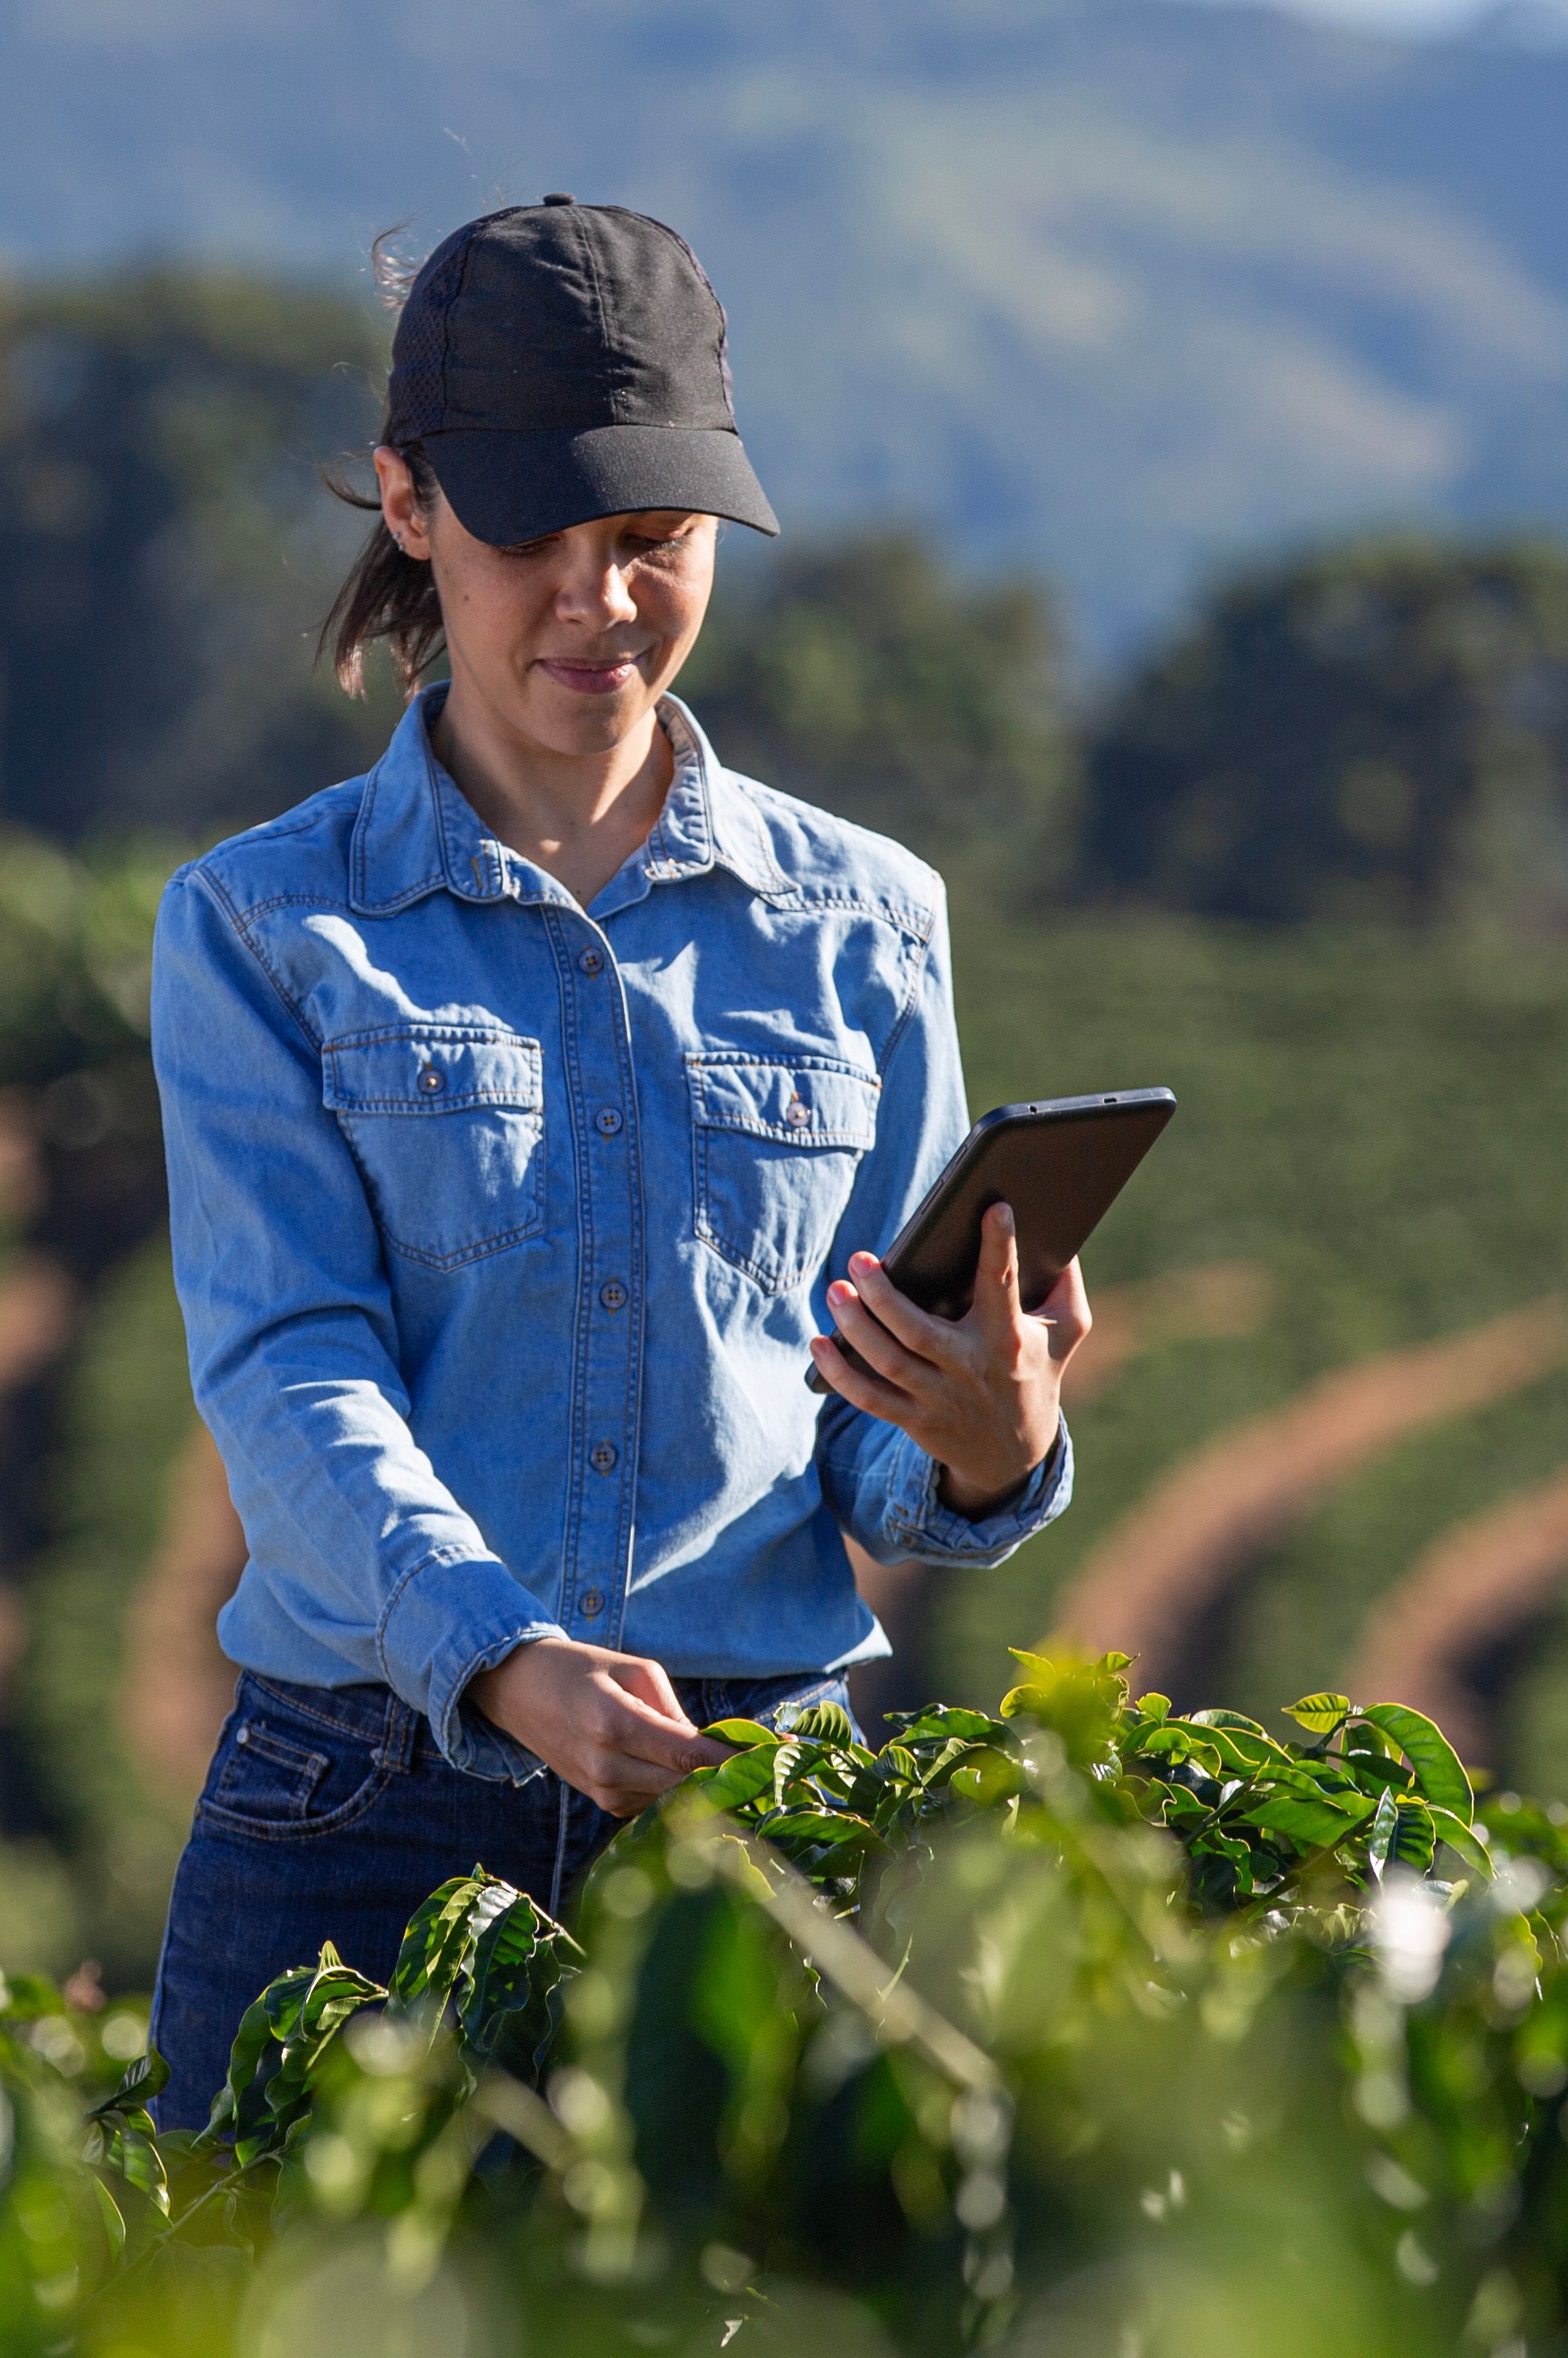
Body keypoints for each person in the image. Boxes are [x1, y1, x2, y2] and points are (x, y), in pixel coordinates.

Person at [144, 195, 1087, 2127]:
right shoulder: (261, 929)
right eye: (532, 544)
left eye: (652, 547)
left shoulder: (867, 925)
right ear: (409, 509)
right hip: (362, 1807)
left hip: (755, 1807)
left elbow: (861, 1427)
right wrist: (497, 1659)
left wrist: (987, 1445)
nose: (601, 603)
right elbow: (289, 1366)